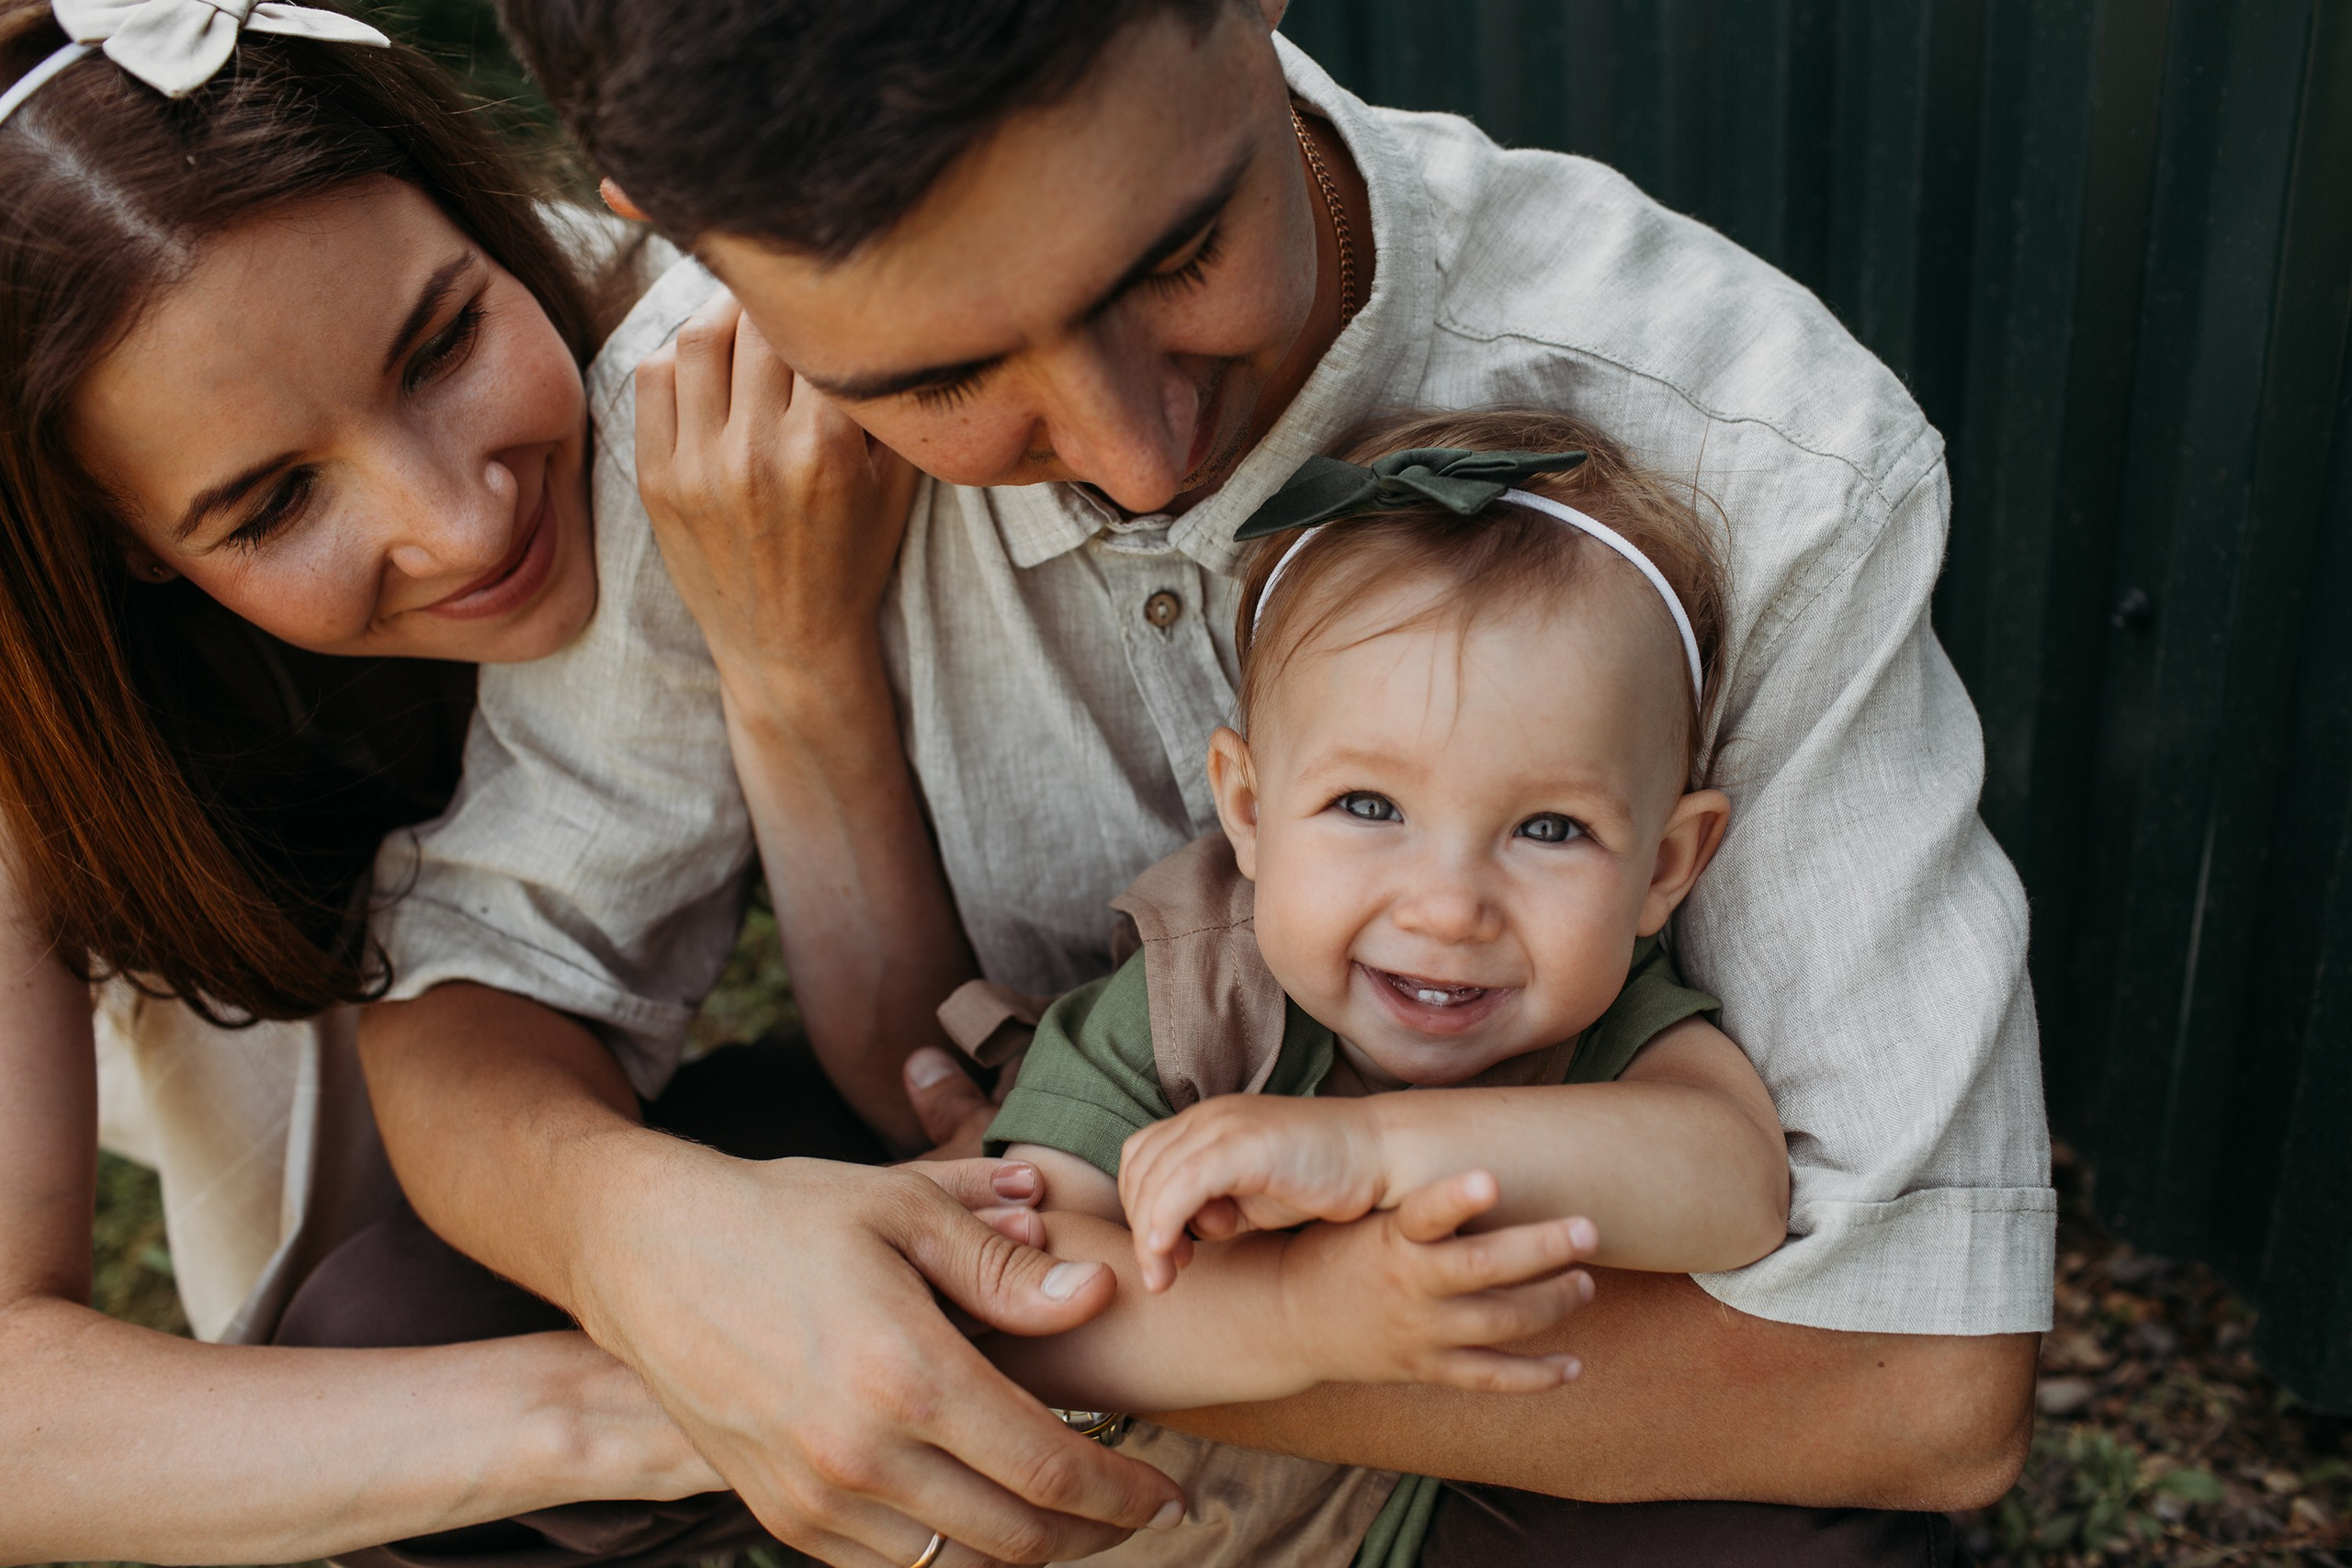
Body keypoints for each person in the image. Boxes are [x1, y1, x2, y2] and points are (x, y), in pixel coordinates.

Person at [359, 0, 2053, 1563]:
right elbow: (483, 999)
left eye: (1177, 252)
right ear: (663, 212)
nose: (1136, 448)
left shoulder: (1752, 448)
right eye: (939, 380)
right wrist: (651, 1246)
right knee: (400, 1329)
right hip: (1033, 1189)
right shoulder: (700, 413)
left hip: (1507, 1350)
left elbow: (1920, 1378)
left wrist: (1167, 1336)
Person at [0, 2, 1093, 1560]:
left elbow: (915, 1054)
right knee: (349, 1327)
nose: (457, 519)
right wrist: (655, 1391)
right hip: (234, 943)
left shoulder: (703, 346)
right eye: (268, 503)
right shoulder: (45, 698)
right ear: (121, 542)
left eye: (444, 340)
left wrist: (791, 669)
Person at [960, 410, 1793, 1568]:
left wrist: (1384, 1151)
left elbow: (1737, 1182)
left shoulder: (1615, 1027)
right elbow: (1029, 1274)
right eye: (1369, 808)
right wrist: (1307, 1307)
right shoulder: (1194, 990)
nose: (1448, 907)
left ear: (1664, 865)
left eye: (1549, 828)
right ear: (1246, 808)